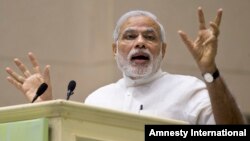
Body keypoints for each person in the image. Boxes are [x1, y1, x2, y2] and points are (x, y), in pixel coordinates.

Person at [5, 7, 246, 124]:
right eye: (130, 36)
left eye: (150, 37)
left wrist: (209, 71)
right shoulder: (97, 99)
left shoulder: (190, 89)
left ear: (162, 50)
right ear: (114, 50)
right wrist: (47, 107)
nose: (140, 42)